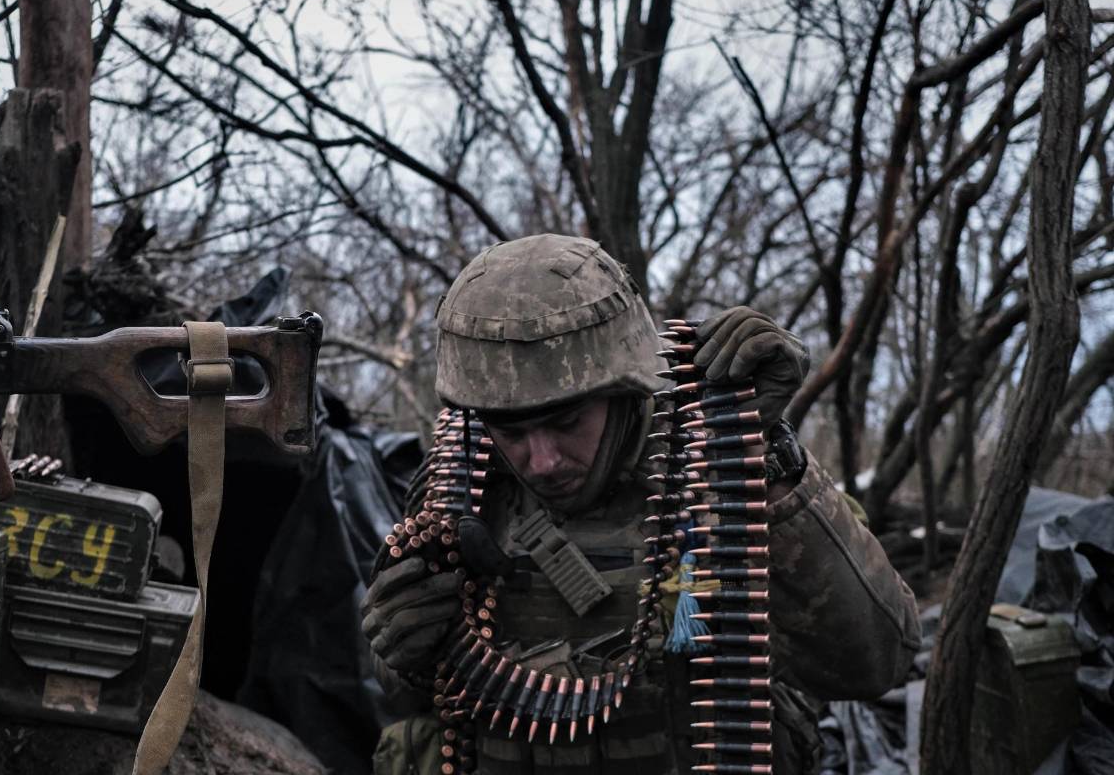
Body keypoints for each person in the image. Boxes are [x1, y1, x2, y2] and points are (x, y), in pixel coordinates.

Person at [363, 234, 920, 774]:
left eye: (566, 421)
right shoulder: (461, 485)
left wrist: (764, 453)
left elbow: (875, 664)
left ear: (626, 387)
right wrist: (405, 652)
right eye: (511, 431)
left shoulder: (716, 466)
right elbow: (421, 693)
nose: (542, 462)